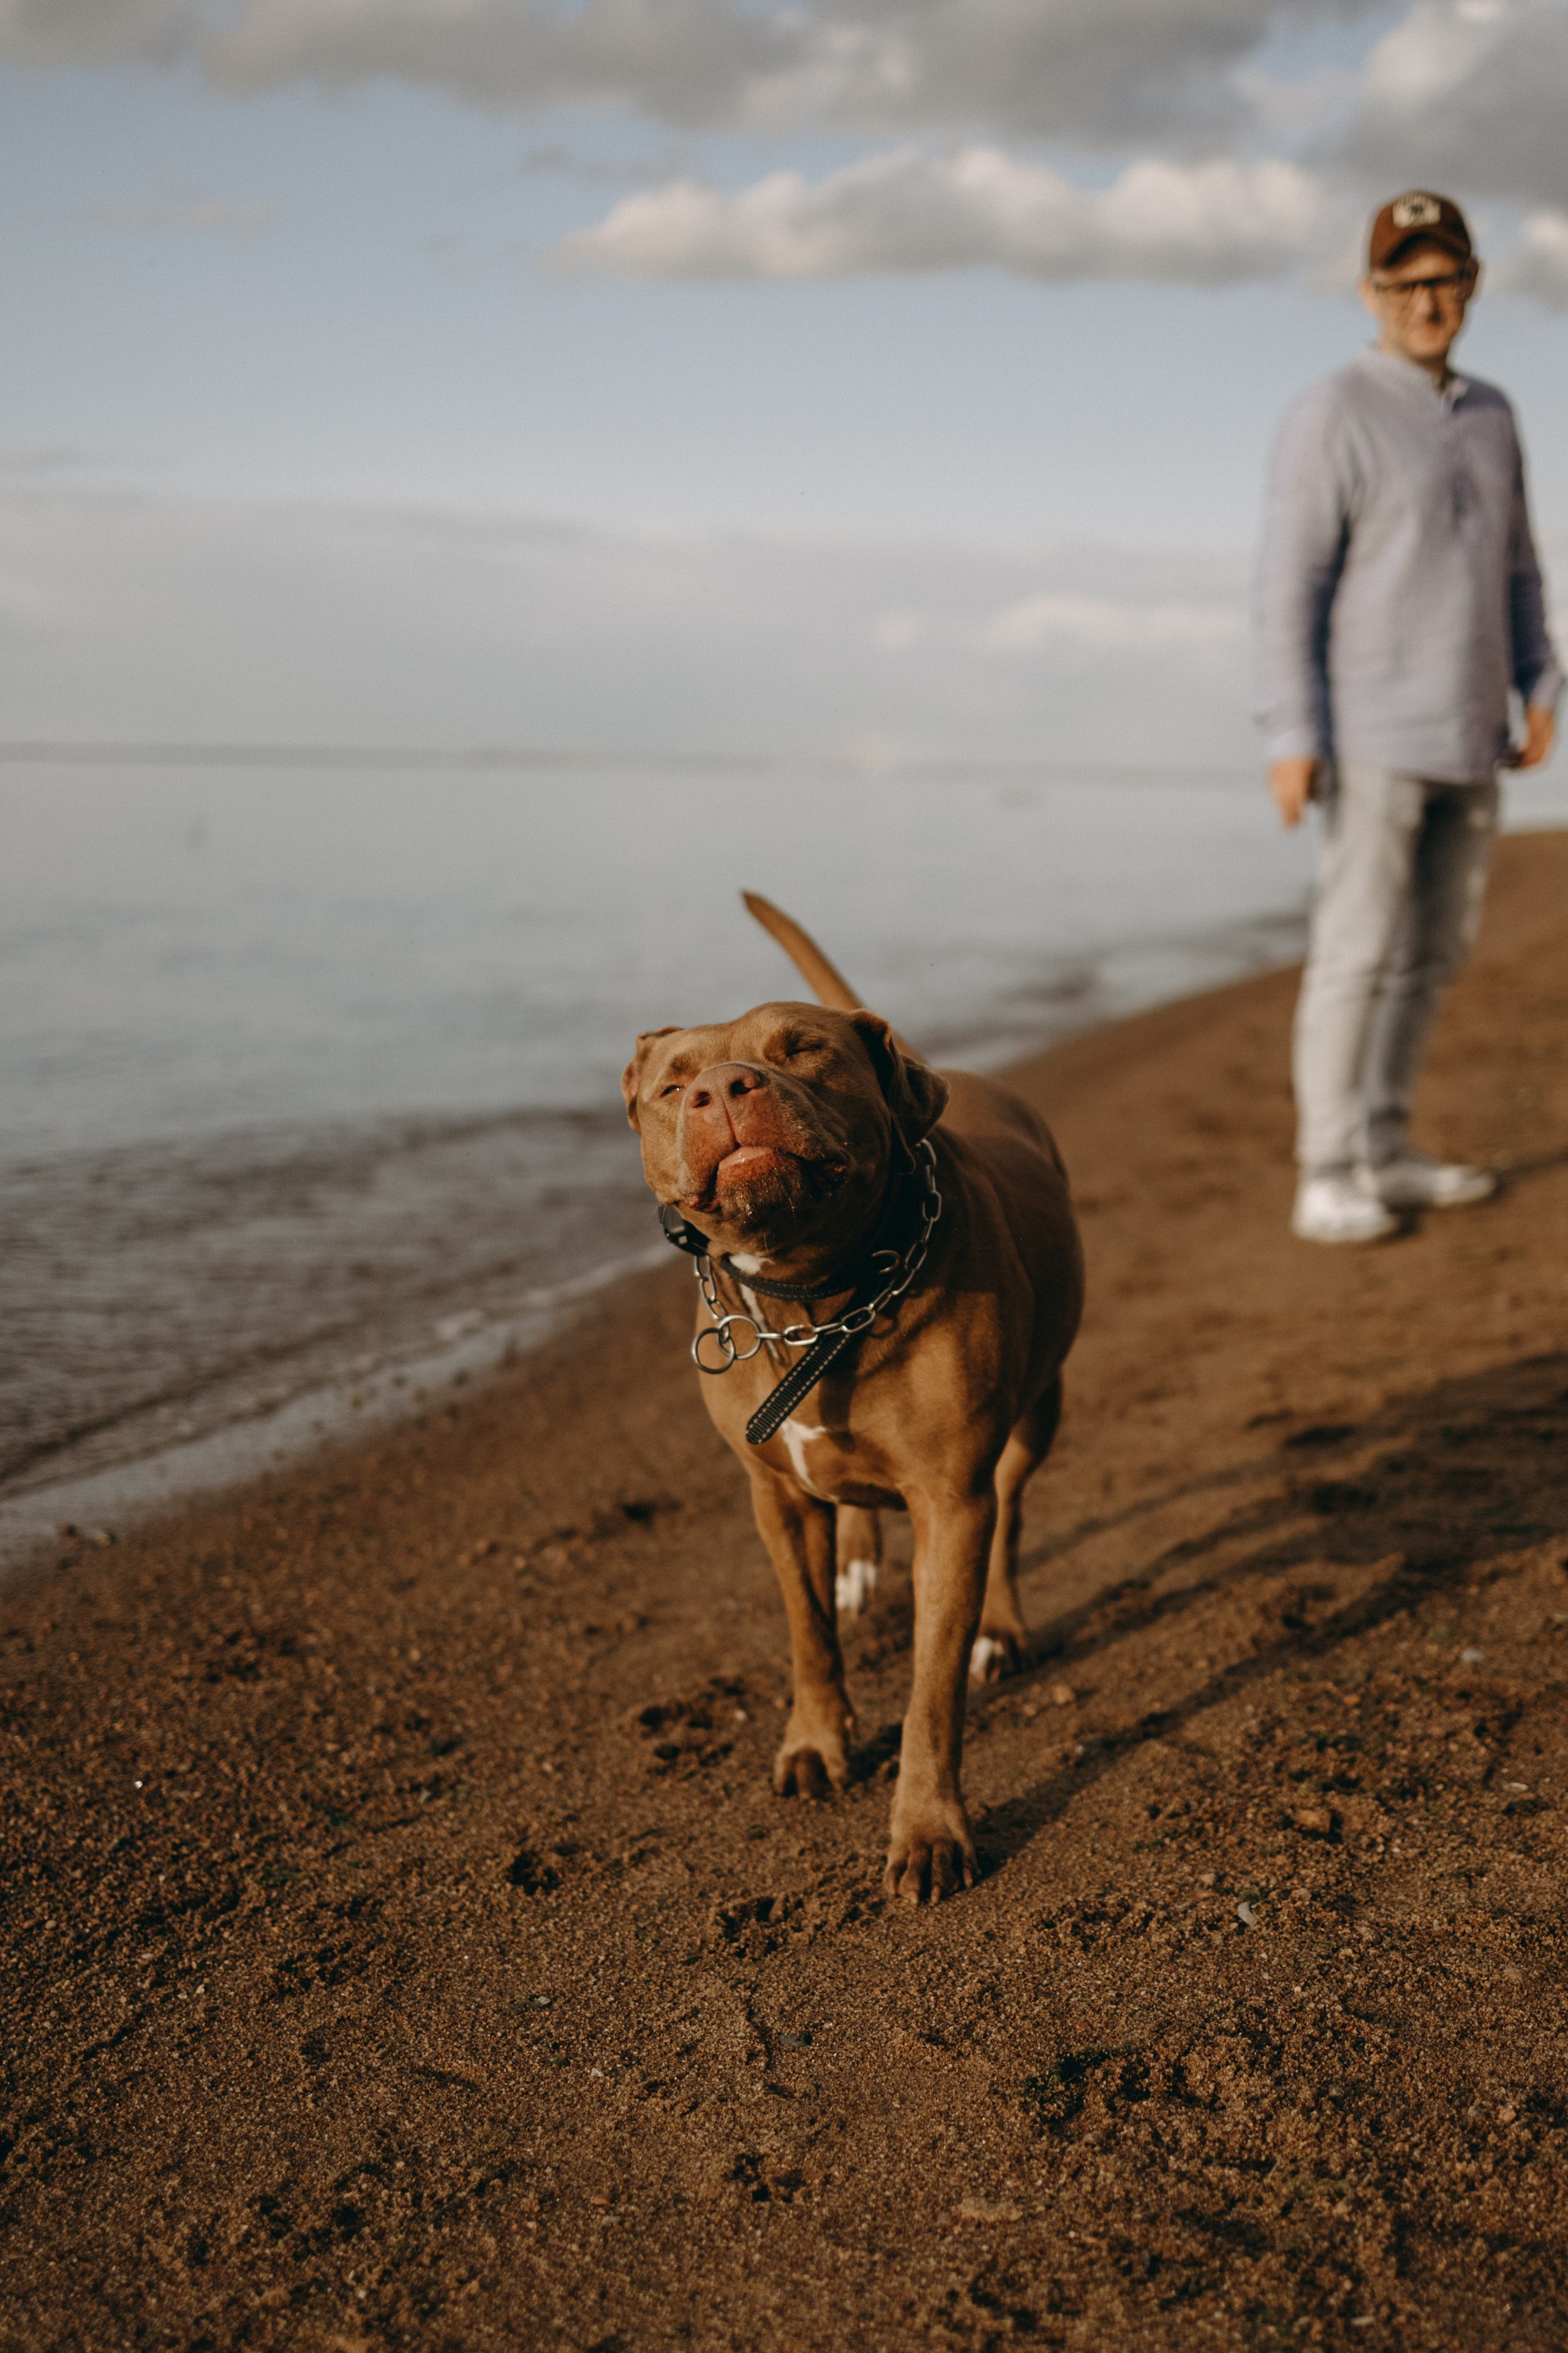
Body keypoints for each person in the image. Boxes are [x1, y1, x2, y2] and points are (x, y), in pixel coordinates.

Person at [1257, 190, 1561, 1244]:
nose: (1428, 300)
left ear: (1472, 284)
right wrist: (1292, 735)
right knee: (1354, 954)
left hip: (1471, 735)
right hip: (1370, 739)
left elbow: (1519, 563)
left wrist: (1541, 682)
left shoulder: (1493, 412)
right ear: (1371, 293)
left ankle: (1385, 1143)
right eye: (1406, 282)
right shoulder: (1332, 411)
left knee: (1433, 951)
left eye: (1445, 279)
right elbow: (1288, 585)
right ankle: (1326, 1168)